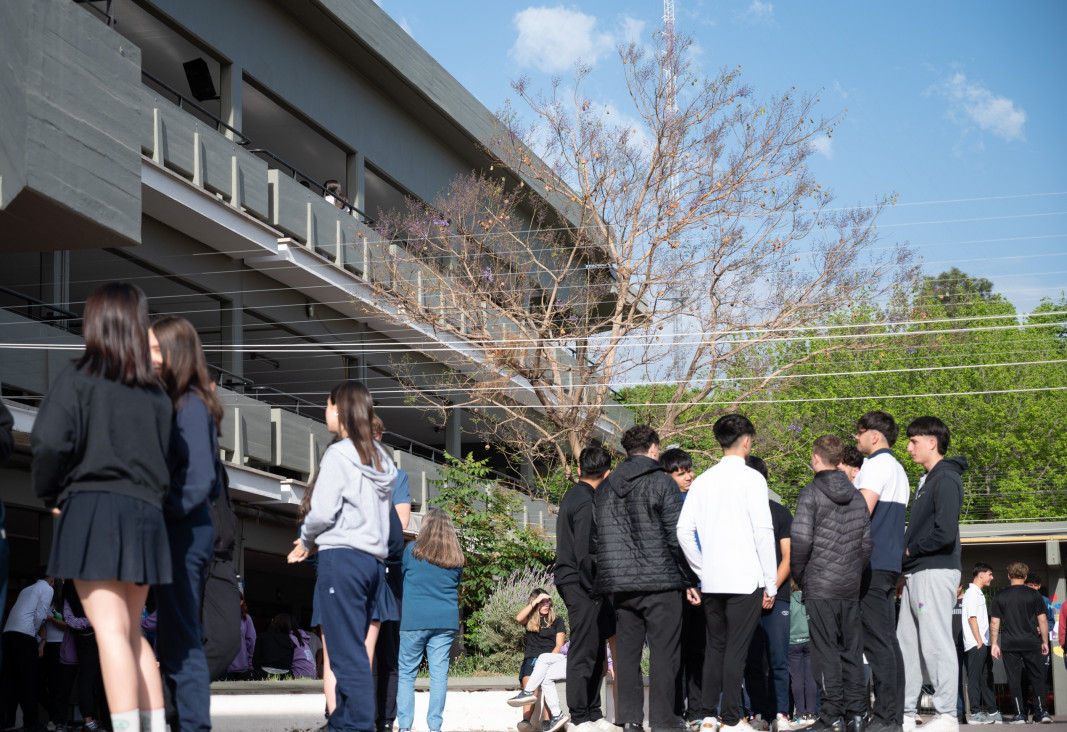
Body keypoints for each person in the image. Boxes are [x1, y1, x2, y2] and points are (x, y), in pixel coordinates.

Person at [32, 282, 173, 732]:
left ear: (94, 322)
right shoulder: (154, 392)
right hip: (146, 515)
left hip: (92, 510)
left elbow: (49, 442)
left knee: (110, 632)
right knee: (132, 635)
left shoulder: (78, 377)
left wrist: (53, 496)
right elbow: (172, 460)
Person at [288, 380, 397, 731]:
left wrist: (306, 540)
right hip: (371, 565)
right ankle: (344, 725)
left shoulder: (339, 454)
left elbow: (320, 511)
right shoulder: (381, 458)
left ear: (340, 410)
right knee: (355, 654)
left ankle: (356, 726)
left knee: (345, 656)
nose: (325, 413)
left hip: (342, 561)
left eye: (327, 406)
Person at [677, 414, 777, 732]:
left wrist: (701, 568)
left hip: (713, 580)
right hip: (745, 578)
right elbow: (763, 532)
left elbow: (683, 529)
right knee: (736, 648)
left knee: (715, 645)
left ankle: (707, 716)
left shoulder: (703, 480)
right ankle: (731, 719)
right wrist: (771, 582)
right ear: (746, 440)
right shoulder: (753, 480)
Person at [149, 315, 223, 732]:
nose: (149, 357)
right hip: (184, 532)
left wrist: (158, 505)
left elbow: (199, 482)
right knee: (176, 639)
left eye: (156, 349)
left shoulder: (190, 404)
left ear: (176, 353)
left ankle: (193, 725)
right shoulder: (186, 402)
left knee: (183, 642)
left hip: (183, 532)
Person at [599, 424, 698, 732]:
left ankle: (629, 720)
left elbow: (599, 536)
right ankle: (663, 720)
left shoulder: (606, 486)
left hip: (621, 585)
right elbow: (674, 536)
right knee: (664, 653)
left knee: (627, 655)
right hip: (661, 583)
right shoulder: (661, 483)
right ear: (654, 448)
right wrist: (689, 578)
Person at [790, 435, 872, 732]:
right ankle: (857, 716)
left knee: (825, 654)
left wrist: (803, 577)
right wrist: (852, 572)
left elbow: (800, 542)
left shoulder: (810, 493)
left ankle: (831, 717)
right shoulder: (857, 496)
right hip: (849, 588)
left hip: (820, 587)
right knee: (851, 653)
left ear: (815, 458)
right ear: (840, 459)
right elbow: (866, 545)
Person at [898, 417, 966, 732]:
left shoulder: (946, 477)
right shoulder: (927, 480)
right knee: (907, 644)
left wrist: (910, 552)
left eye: (913, 441)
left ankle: (947, 715)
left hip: (934, 570)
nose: (908, 447)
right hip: (916, 573)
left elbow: (945, 532)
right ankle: (906, 712)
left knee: (936, 641)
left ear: (931, 442)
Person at [852, 411, 909, 732]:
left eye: (859, 433)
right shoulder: (898, 468)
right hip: (887, 564)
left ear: (874, 435)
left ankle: (886, 718)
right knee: (887, 641)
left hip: (870, 564)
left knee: (876, 642)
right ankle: (892, 717)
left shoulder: (875, 466)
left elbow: (861, 511)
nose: (856, 438)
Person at [554, 446, 616, 732]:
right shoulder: (586, 501)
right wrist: (594, 590)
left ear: (579, 469)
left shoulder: (576, 495)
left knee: (594, 650)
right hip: (582, 583)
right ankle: (580, 717)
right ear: (607, 473)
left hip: (579, 581)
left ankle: (593, 712)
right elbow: (585, 551)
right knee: (583, 651)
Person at [396, 508, 464, 732]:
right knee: (438, 675)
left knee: (406, 673)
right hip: (444, 621)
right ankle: (435, 726)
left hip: (414, 619)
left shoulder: (411, 551)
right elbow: (455, 586)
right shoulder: (456, 557)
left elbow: (400, 576)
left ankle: (405, 727)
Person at [743, 456, 793, 732]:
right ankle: (759, 713)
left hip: (778, 596)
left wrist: (771, 588)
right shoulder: (736, 514)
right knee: (750, 659)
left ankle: (781, 714)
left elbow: (788, 556)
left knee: (778, 659)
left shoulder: (780, 513)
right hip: (745, 596)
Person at [373, 415, 411, 732]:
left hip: (385, 571)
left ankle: (383, 717)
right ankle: (381, 718)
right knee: (384, 651)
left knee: (384, 649)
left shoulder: (396, 476)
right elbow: (400, 526)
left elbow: (401, 525)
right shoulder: (396, 478)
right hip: (384, 569)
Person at [662, 448, 705, 725]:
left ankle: (698, 712)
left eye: (690, 470)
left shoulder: (700, 500)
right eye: (681, 473)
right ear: (667, 476)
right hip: (672, 587)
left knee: (699, 651)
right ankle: (675, 711)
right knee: (673, 653)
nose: (689, 476)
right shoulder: (664, 503)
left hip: (702, 586)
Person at [990, 562, 1051, 724]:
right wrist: (1044, 641)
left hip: (1010, 643)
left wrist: (995, 643)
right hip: (1031, 641)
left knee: (1014, 679)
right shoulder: (1034, 595)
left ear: (1009, 576)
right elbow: (1043, 620)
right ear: (1025, 577)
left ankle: (1019, 714)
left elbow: (995, 622)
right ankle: (1042, 712)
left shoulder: (1000, 595)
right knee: (1037, 677)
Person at [2, 570, 54, 730]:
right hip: (24, 635)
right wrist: (37, 636)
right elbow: (40, 615)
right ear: (52, 578)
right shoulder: (47, 588)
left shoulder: (27, 589)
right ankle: (31, 723)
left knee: (11, 681)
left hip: (8, 633)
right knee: (29, 681)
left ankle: (8, 722)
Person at [511, 588, 568, 732]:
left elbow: (559, 645)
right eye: (541, 602)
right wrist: (535, 601)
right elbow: (518, 618)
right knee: (532, 690)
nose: (546, 604)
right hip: (531, 657)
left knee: (548, 685)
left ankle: (548, 722)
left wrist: (547, 662)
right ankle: (525, 722)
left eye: (547, 601)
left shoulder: (557, 620)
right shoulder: (530, 618)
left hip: (551, 658)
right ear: (535, 603)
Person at [62, 579, 107, 731]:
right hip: (96, 637)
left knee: (92, 679)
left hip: (86, 638)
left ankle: (92, 720)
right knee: (92, 680)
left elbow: (70, 620)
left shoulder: (69, 590)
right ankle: (91, 720)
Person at [961, 563, 997, 725]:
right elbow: (972, 618)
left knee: (986, 677)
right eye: (990, 574)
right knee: (975, 678)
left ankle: (992, 711)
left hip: (982, 643)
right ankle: (975, 713)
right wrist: (979, 641)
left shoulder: (978, 593)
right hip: (976, 644)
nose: (992, 577)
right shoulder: (971, 593)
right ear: (981, 574)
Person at [788, 583, 817, 727]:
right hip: (810, 641)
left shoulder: (789, 601)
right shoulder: (810, 599)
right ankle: (811, 713)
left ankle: (799, 714)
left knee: (796, 680)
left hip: (792, 642)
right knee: (810, 678)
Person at [253, 614, 296, 678]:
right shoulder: (290, 641)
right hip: (285, 675)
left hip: (265, 674)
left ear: (273, 622)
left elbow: (256, 661)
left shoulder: (262, 636)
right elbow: (290, 662)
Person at [226, 595, 257, 680]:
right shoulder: (221, 617)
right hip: (223, 668)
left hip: (242, 667)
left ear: (241, 601)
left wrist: (251, 664)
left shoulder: (246, 619)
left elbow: (252, 642)